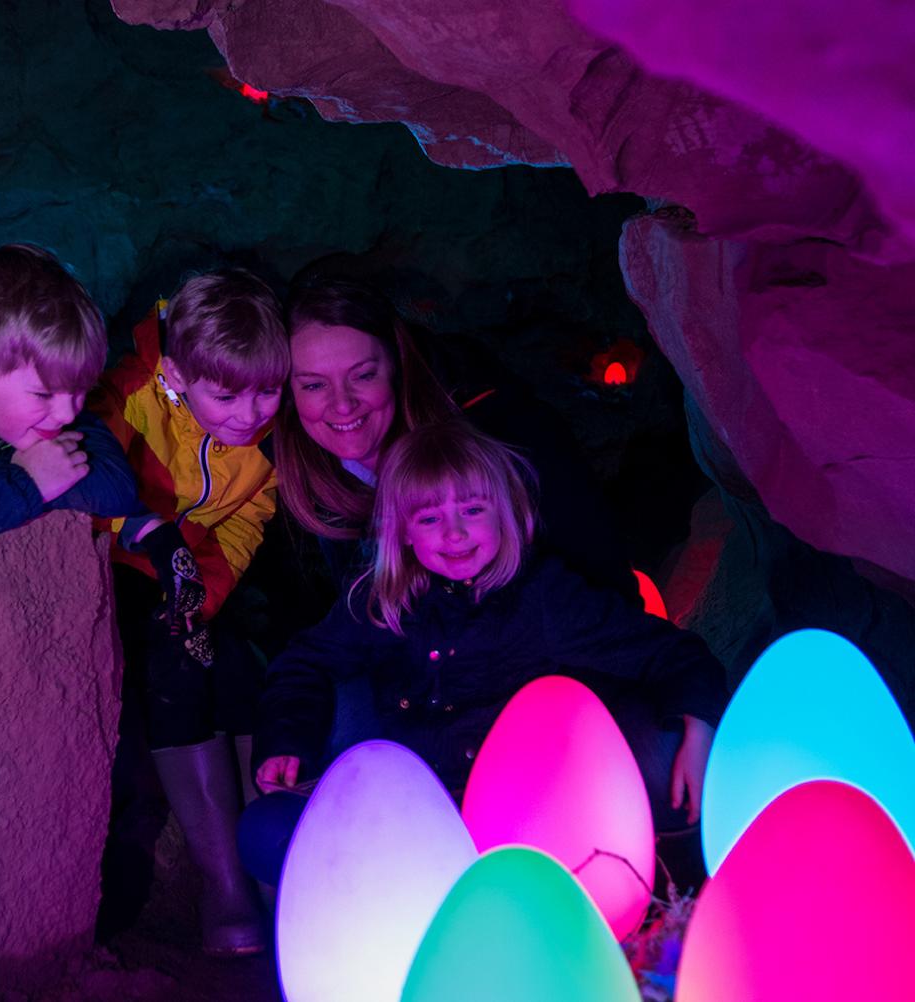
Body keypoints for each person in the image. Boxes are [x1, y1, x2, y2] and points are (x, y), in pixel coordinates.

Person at [239, 421, 726, 887]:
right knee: (267, 832)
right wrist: (287, 741)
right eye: (430, 518)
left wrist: (698, 726)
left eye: (472, 510)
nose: (454, 533)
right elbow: (304, 661)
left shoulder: (544, 598)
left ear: (505, 513)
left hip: (522, 813)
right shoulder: (381, 601)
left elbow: (670, 651)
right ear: (404, 531)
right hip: (413, 806)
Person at [87, 269, 288, 955]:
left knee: (238, 672)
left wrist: (209, 589)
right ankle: (223, 883)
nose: (251, 412)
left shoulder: (268, 437)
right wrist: (146, 545)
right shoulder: (133, 394)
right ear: (178, 375)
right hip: (118, 567)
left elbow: (250, 513)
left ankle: (268, 875)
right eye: (226, 394)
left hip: (194, 575)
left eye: (268, 390)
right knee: (173, 672)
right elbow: (89, 476)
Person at [275, 272, 640, 603]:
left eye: (363, 376)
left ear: (396, 365)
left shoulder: (504, 435)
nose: (342, 404)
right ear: (289, 393)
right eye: (314, 385)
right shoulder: (309, 472)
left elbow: (600, 572)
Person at [0, 244, 138, 554]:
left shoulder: (46, 387)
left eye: (81, 388)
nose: (67, 414)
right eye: (43, 394)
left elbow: (116, 486)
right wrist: (26, 484)